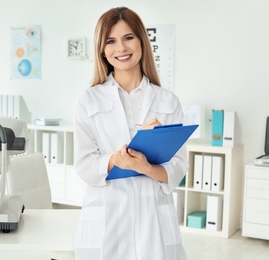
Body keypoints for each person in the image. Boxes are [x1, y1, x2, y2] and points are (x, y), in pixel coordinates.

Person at [73, 6, 188, 260]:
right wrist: (115, 160)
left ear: (141, 41)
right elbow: (83, 164)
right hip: (107, 218)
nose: (121, 48)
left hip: (154, 220)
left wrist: (146, 167)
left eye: (128, 38)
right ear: (102, 50)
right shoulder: (88, 101)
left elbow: (179, 166)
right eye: (111, 41)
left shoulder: (168, 101)